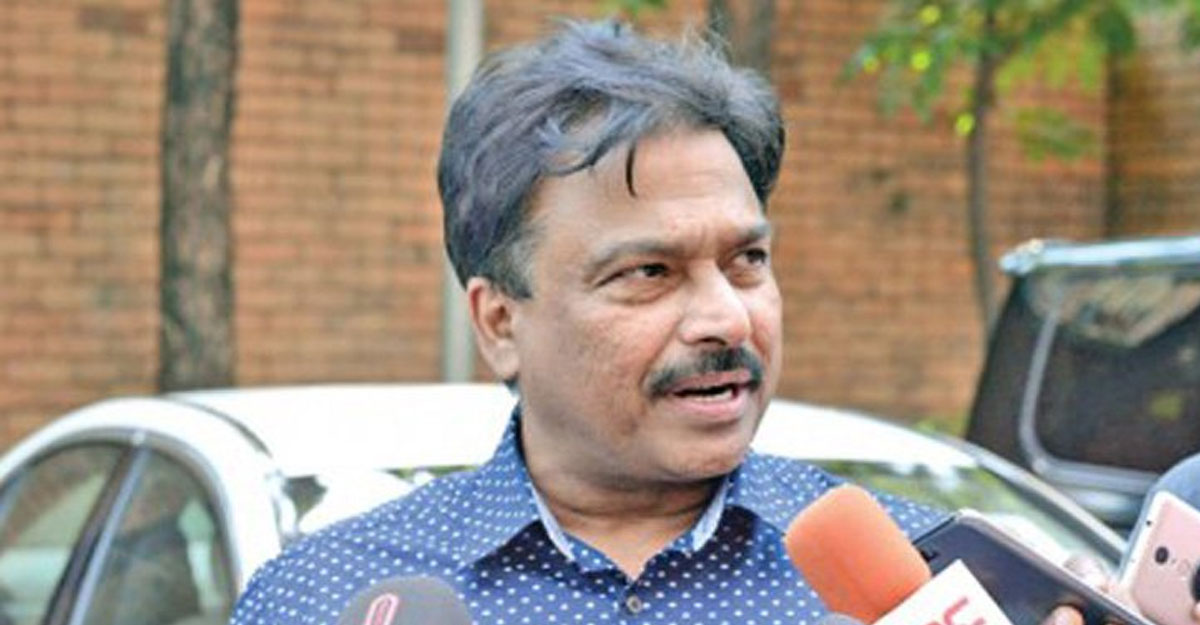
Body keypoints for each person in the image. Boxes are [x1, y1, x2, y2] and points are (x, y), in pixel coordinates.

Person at [229, 20, 1084, 625]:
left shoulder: (933, 579)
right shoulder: (322, 597)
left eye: (747, 260)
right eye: (649, 272)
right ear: (498, 322)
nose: (725, 316)